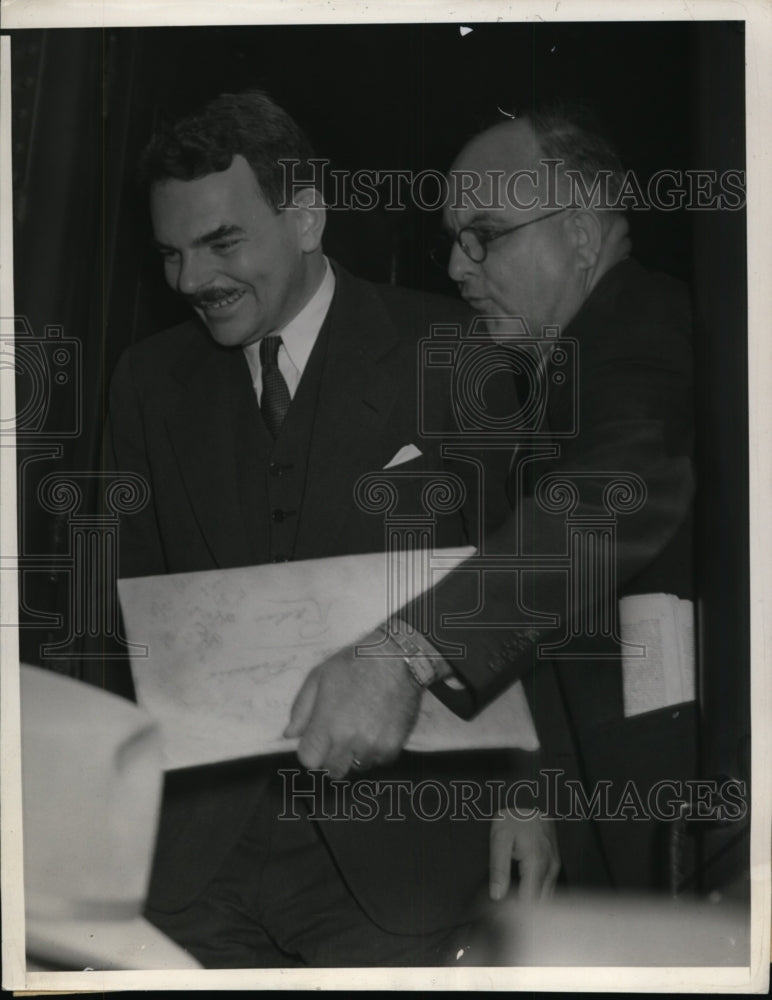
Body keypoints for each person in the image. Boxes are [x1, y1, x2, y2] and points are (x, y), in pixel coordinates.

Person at [105, 89, 539, 968]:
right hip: (195, 867)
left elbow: (528, 586)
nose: (192, 282)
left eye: (222, 243)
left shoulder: (455, 356)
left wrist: (530, 796)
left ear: (307, 215)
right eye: (172, 255)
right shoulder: (145, 383)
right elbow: (118, 622)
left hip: (401, 861)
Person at [310, 105, 696, 891]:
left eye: (485, 235)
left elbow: (608, 501)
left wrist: (406, 650)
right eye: (454, 240)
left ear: (583, 233)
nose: (458, 268)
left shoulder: (646, 321)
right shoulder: (561, 373)